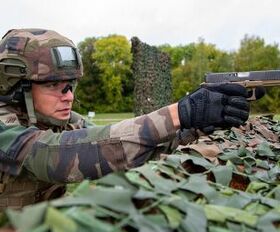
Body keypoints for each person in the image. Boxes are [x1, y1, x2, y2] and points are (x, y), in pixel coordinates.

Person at [0, 28, 253, 210]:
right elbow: (55, 157)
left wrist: (190, 130)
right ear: (17, 86)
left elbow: (117, 150)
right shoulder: (4, 126)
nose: (68, 96)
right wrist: (178, 113)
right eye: (55, 85)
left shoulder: (65, 122)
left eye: (71, 85)